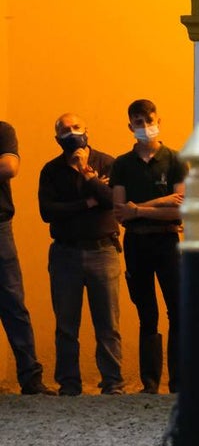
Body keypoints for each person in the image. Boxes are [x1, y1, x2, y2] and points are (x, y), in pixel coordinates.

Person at [38, 113, 124, 396]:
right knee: (66, 325)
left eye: (77, 127)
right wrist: (87, 203)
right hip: (65, 254)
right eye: (65, 129)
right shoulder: (51, 170)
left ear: (87, 130)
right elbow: (48, 212)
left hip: (103, 251)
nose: (72, 133)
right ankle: (69, 384)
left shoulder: (107, 163)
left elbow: (112, 201)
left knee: (108, 324)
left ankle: (113, 382)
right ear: (57, 138)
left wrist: (87, 174)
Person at [111, 99, 185, 394]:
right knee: (147, 314)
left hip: (168, 241)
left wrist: (139, 209)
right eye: (138, 122)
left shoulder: (175, 160)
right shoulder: (122, 164)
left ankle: (178, 383)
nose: (145, 127)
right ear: (130, 126)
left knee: (177, 311)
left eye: (149, 120)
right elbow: (120, 212)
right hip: (136, 242)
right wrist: (162, 202)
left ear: (158, 121)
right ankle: (150, 383)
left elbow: (180, 211)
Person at [0, 121, 55, 395]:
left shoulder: (3, 130)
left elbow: (9, 167)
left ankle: (30, 378)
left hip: (0, 227)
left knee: (12, 301)